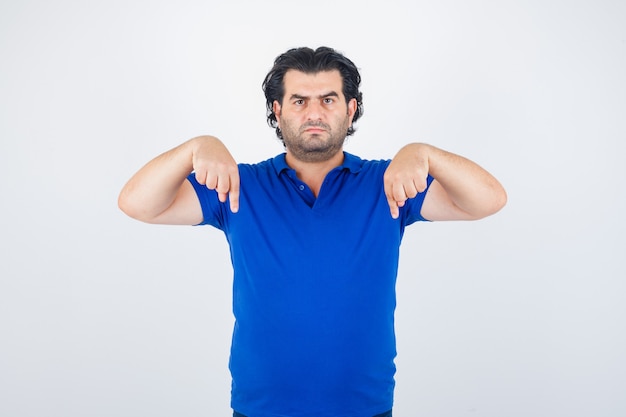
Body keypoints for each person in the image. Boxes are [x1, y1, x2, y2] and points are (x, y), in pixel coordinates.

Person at [118, 46, 507, 417]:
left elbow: (488, 199)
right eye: (299, 101)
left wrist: (425, 153)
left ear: (350, 109)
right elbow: (137, 203)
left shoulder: (388, 184)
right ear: (278, 110)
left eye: (328, 99)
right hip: (261, 408)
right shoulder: (240, 186)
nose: (314, 112)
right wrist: (197, 146)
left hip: (364, 406)